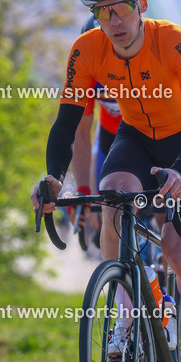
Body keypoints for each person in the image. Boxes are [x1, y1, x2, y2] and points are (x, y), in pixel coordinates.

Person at [31, 0, 181, 362]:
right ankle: (125, 310)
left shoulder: (175, 41)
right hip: (137, 136)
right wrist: (52, 179)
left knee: (180, 253)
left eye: (120, 9)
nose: (113, 21)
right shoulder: (86, 50)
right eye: (102, 13)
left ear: (141, 3)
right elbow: (67, 126)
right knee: (114, 194)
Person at [71, 15, 123, 242]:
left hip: (151, 135)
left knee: (162, 218)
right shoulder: (86, 73)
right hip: (109, 136)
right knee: (104, 217)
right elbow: (81, 134)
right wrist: (84, 191)